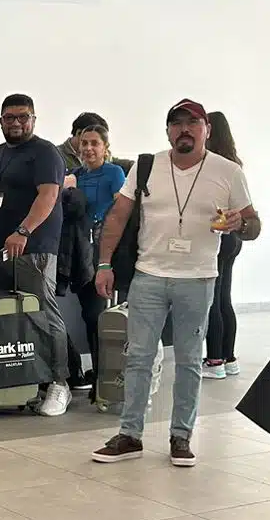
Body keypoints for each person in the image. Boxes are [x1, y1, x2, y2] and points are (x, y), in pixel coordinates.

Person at [90, 99, 259, 467]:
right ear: (168, 130)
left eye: (192, 123)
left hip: (197, 279)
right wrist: (104, 263)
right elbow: (118, 215)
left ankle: (181, 436)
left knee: (188, 361)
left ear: (206, 129)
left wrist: (239, 224)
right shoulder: (146, 167)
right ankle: (130, 434)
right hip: (148, 275)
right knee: (137, 357)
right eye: (177, 123)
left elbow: (253, 224)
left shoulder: (227, 172)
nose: (185, 129)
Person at [0, 93, 71, 416]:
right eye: (9, 118)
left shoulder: (46, 153)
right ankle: (28, 379)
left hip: (33, 248)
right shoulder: (0, 153)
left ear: (33, 119)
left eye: (23, 117)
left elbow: (48, 197)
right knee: (14, 318)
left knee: (43, 313)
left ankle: (60, 383)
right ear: (0, 121)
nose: (16, 123)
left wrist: (23, 231)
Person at [64, 125, 126, 387]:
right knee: (90, 314)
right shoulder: (74, 176)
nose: (88, 148)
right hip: (81, 253)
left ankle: (107, 374)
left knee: (101, 315)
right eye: (84, 143)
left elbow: (122, 210)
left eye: (94, 143)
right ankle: (99, 372)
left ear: (105, 147)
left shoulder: (114, 173)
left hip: (105, 251)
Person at [204, 111, 248, 378]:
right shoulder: (235, 165)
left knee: (212, 302)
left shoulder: (213, 167)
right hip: (234, 239)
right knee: (224, 300)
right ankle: (229, 358)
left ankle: (214, 361)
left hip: (218, 237)